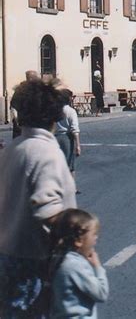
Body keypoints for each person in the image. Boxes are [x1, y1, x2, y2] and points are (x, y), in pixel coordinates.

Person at [0, 77, 76, 317]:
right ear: (55, 115)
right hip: (34, 263)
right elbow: (48, 210)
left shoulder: (14, 148)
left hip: (8, 254)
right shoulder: (46, 153)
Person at [50, 208, 109, 318]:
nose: (96, 238)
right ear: (79, 241)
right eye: (94, 234)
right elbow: (101, 293)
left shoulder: (57, 259)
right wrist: (97, 267)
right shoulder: (75, 266)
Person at [56, 90, 81, 192]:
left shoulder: (55, 110)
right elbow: (75, 129)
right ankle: (71, 187)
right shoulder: (71, 111)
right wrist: (78, 145)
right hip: (66, 137)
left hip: (55, 137)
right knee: (70, 163)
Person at [10, 70, 40, 138]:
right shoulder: (20, 90)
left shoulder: (37, 90)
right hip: (24, 122)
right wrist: (17, 120)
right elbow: (14, 107)